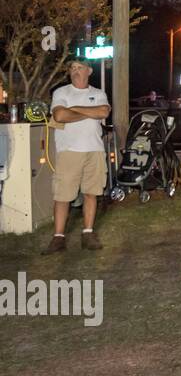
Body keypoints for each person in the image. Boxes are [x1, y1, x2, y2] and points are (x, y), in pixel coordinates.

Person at [44, 60, 110, 254]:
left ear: (89, 71)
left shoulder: (98, 93)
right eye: (72, 68)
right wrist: (90, 112)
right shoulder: (61, 93)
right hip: (69, 150)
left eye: (79, 67)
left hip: (94, 150)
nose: (75, 71)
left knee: (91, 192)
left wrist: (74, 109)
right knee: (63, 195)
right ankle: (58, 238)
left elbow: (104, 111)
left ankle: (88, 233)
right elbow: (60, 116)